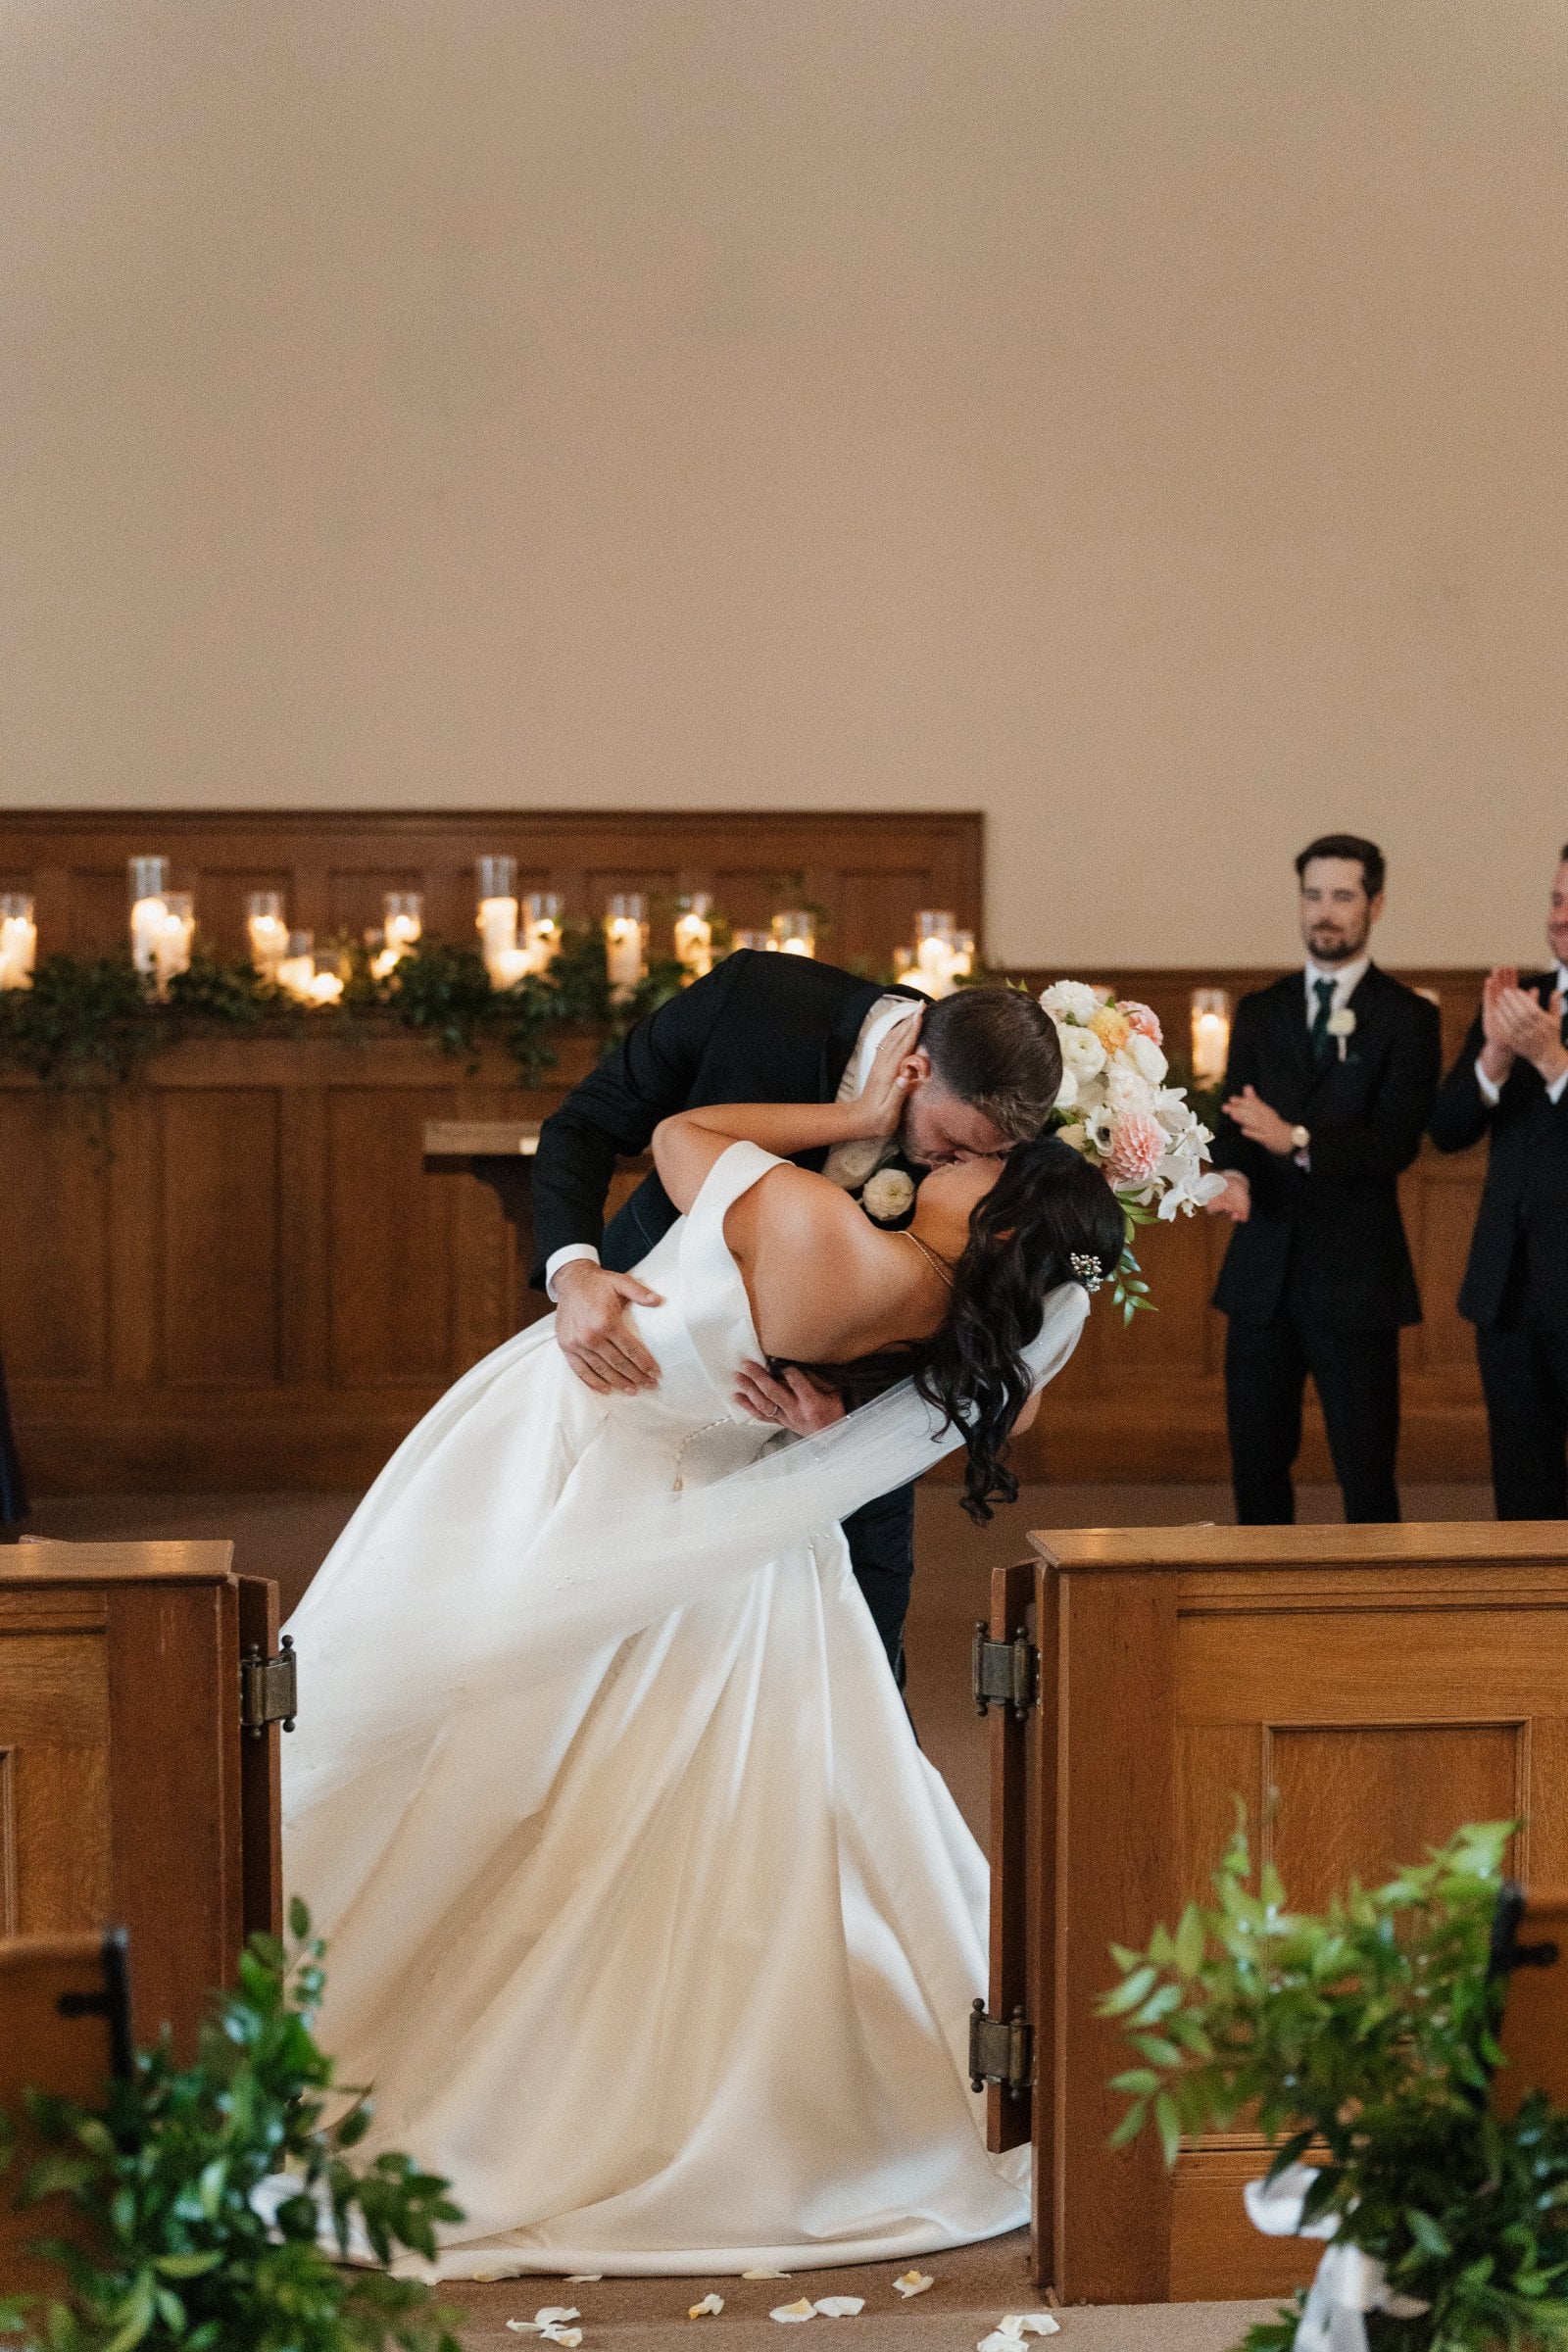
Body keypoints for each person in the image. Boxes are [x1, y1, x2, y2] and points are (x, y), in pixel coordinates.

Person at [280, 1043, 1123, 2278]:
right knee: (738, 1804)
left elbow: (681, 1139)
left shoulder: (832, 1234)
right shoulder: (955, 1330)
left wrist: (847, 1112)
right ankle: (732, 2086)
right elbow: (995, 1394)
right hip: (741, 1527)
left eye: (985, 1170)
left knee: (482, 1727)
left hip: (588, 1451)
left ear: (996, 1232)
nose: (958, 1162)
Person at [530, 951, 1063, 1686]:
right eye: (953, 1142)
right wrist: (575, 1274)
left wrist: (854, 1421)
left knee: (857, 1686)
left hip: (840, 1447)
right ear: (915, 1070)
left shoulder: (1010, 1146)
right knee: (599, 1659)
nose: (961, 1168)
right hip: (640, 1378)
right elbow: (584, 1124)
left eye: (991, 1155)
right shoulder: (756, 1001)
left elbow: (1002, 1345)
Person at [1204, 833, 1441, 1524]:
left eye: (1342, 896)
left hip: (1356, 1277)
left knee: (1365, 1470)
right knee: (1255, 1464)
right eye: (1313, 896)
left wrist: (1298, 1139)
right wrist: (1234, 1175)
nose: (1324, 913)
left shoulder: (1408, 1017)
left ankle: (1373, 1621)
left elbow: (1396, 1143)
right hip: (1262, 1275)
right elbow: (1235, 1127)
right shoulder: (1261, 1010)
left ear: (1376, 905)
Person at [1429, 847, 1568, 1517]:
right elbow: (1449, 1129)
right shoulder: (1524, 1001)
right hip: (1510, 1289)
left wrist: (1556, 1061)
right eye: (1557, 900)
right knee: (1522, 1485)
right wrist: (1493, 1056)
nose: (1560, 919)